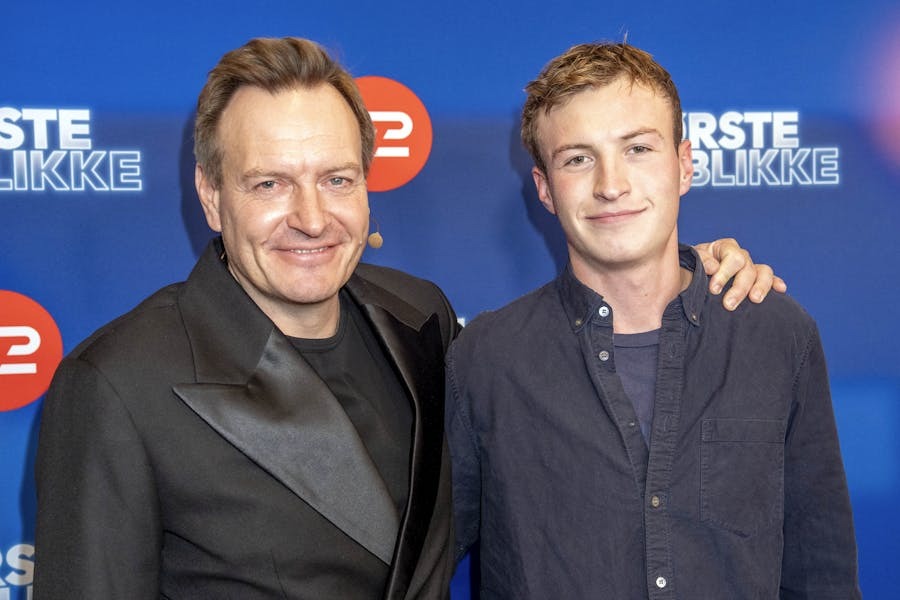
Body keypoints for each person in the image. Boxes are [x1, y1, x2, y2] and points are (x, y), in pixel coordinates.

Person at [34, 37, 777, 598]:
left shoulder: (420, 318)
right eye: (269, 184)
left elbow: (554, 432)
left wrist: (685, 274)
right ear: (211, 195)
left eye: (336, 179)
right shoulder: (120, 384)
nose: (311, 217)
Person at [446, 42, 860, 599]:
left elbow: (822, 575)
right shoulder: (486, 358)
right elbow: (418, 566)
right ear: (545, 189)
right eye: (578, 159)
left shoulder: (777, 335)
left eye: (637, 148)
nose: (611, 184)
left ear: (684, 165)